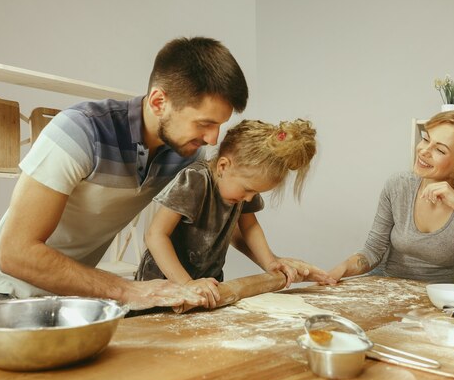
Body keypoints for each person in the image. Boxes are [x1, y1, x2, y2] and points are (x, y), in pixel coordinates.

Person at [0, 37, 249, 310]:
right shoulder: (80, 131)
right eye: (204, 123)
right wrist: (127, 290)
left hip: (65, 295)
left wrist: (272, 262)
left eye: (219, 126)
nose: (213, 139)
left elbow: (227, 208)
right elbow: (15, 253)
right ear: (158, 102)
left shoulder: (185, 153)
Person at [136, 119, 335, 309]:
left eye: (255, 193)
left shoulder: (238, 193)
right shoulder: (195, 180)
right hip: (164, 284)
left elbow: (249, 227)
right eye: (248, 190)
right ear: (223, 166)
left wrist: (270, 262)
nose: (249, 198)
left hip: (208, 285)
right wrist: (186, 283)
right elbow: (155, 235)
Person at [327, 110, 454, 284]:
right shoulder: (398, 185)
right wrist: (343, 268)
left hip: (441, 299)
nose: (423, 151)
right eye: (426, 139)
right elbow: (373, 250)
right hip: (386, 288)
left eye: (440, 150)